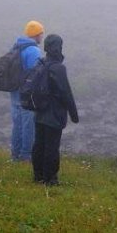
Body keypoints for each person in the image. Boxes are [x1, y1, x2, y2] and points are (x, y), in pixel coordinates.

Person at [32, 33, 79, 186]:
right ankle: (50, 179)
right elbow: (66, 93)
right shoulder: (58, 68)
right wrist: (74, 115)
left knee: (39, 144)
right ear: (58, 47)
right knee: (52, 146)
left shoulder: (41, 63)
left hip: (39, 112)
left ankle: (38, 176)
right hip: (54, 114)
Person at [9, 20, 44, 161]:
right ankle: (26, 156)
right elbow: (36, 74)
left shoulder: (16, 47)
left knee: (17, 124)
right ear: (37, 34)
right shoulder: (34, 50)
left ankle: (15, 155)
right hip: (27, 95)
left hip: (14, 92)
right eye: (41, 34)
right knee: (28, 125)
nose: (42, 37)